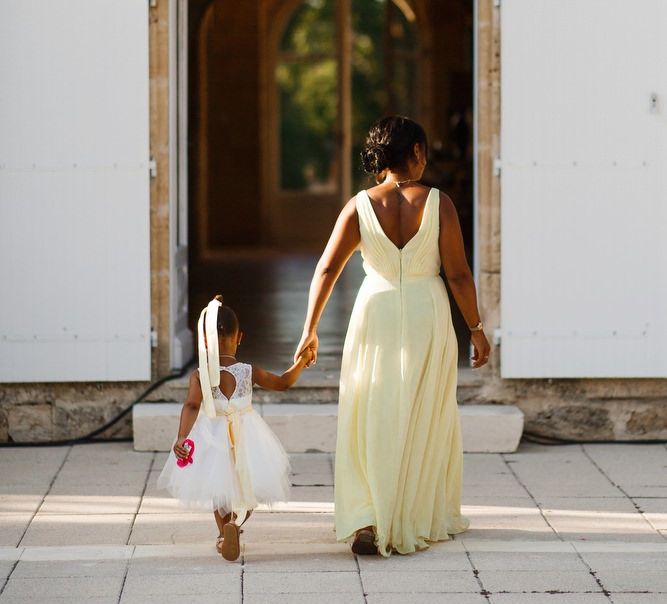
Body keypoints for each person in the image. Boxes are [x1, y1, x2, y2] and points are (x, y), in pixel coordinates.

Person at [294, 116, 490, 557]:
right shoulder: (439, 203)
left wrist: (309, 329)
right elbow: (458, 273)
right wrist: (475, 329)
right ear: (416, 153)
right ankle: (412, 514)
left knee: (371, 407)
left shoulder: (359, 205)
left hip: (375, 311)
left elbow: (326, 268)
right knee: (424, 411)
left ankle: (367, 514)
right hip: (427, 311)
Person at [158, 294, 314, 561]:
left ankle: (222, 534)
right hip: (247, 436)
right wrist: (301, 361)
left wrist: (182, 436)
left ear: (205, 340)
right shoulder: (247, 371)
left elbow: (192, 406)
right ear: (240, 337)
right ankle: (236, 523)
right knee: (249, 486)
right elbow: (284, 382)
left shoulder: (200, 374)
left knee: (218, 489)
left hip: (214, 437)